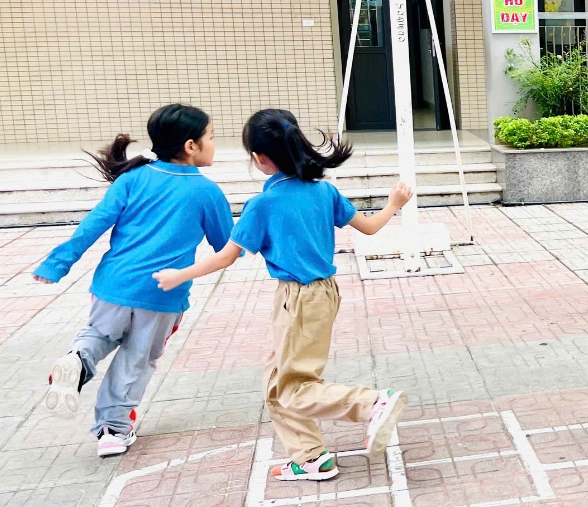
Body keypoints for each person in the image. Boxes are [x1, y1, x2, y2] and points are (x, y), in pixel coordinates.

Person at [154, 109, 412, 481]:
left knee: (294, 388)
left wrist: (181, 274)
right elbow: (369, 228)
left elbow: (228, 256)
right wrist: (393, 205)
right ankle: (310, 457)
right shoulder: (323, 190)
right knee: (276, 384)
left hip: (299, 299)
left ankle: (372, 403)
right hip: (320, 295)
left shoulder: (264, 204)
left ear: (260, 158)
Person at [35, 105, 232, 457]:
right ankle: (113, 430)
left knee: (98, 335)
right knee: (137, 358)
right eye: (211, 137)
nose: (215, 144)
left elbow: (93, 224)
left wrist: (56, 264)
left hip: (112, 285)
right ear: (190, 146)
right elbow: (225, 244)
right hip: (162, 293)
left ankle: (78, 362)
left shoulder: (132, 178)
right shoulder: (206, 192)